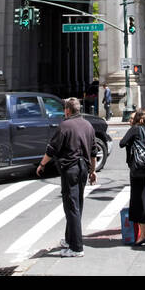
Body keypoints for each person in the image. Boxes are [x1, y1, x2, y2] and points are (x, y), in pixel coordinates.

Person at [37, 97, 98, 257]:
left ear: (68, 110)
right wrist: (93, 171)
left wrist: (42, 164)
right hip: (84, 168)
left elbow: (52, 149)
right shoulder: (88, 125)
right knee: (77, 204)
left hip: (70, 169)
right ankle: (70, 238)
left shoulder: (65, 126)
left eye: (65, 109)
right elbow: (93, 151)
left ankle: (76, 247)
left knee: (71, 206)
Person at [119, 108, 145, 245]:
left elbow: (122, 143)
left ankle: (143, 234)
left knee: (139, 201)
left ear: (137, 118)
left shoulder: (134, 129)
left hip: (137, 171)